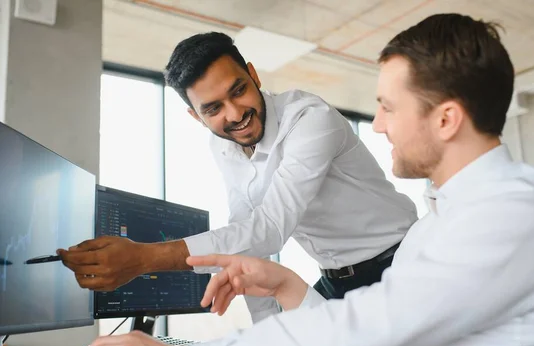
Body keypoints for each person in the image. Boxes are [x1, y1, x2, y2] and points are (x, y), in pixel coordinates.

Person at [74, 13, 534, 346]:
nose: (378, 126)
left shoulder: (508, 218)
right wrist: (285, 287)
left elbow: (365, 332)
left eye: (389, 107)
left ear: (445, 120)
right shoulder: (445, 223)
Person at [58, 32, 418, 321]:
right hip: (334, 281)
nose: (235, 114)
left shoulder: (309, 119)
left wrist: (144, 258)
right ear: (196, 117)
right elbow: (247, 246)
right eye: (213, 109)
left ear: (253, 75)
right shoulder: (225, 146)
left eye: (239, 91)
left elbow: (269, 230)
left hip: (396, 267)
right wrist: (268, 334)